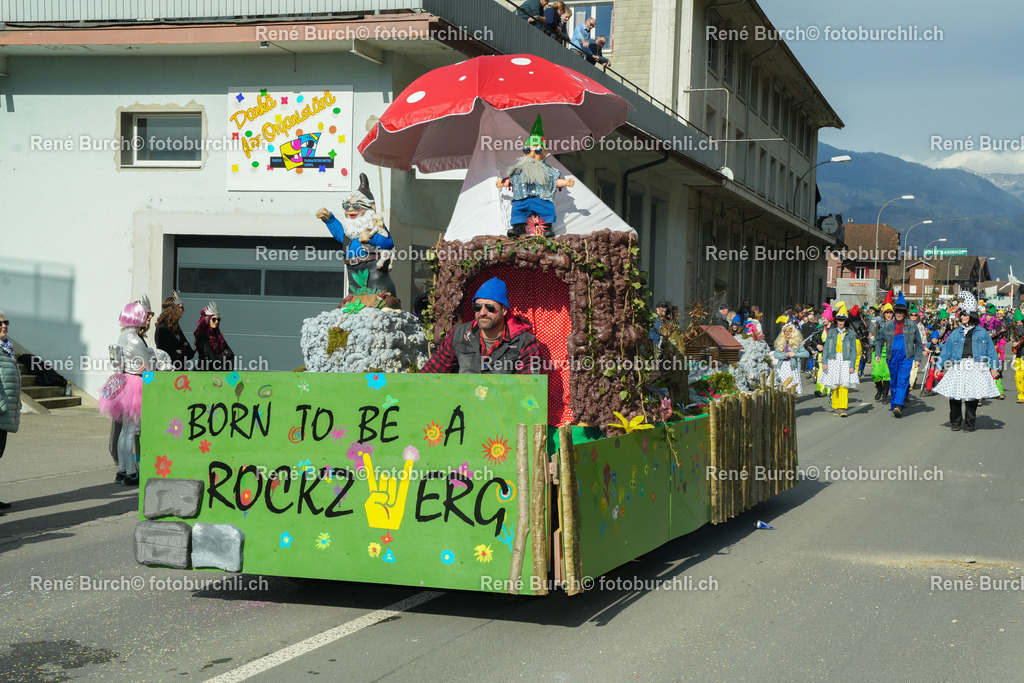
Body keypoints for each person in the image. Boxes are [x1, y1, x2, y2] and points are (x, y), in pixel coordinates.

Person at [421, 277, 542, 374]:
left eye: (490, 307)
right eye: (477, 307)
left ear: (504, 310)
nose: (482, 312)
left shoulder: (525, 343)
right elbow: (430, 373)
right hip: (464, 403)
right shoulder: (458, 335)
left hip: (503, 403)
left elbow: (528, 388)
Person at [97, 302, 151, 485]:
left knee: (125, 430)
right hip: (135, 383)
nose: (146, 318)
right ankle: (131, 472)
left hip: (125, 382)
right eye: (144, 315)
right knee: (132, 430)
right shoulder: (136, 340)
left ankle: (122, 470)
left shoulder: (123, 336)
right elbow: (149, 367)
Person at [496, 116, 575, 238]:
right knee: (517, 210)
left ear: (544, 153)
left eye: (537, 151)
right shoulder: (518, 170)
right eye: (528, 151)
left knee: (547, 209)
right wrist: (502, 184)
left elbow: (554, 181)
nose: (532, 155)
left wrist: (566, 183)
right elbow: (512, 181)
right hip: (522, 199)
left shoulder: (549, 171)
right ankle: (518, 228)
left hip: (541, 199)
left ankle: (548, 227)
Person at [935, 292, 1000, 432]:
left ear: (972, 315)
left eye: (965, 314)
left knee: (972, 398)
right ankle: (956, 421)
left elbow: (991, 351)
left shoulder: (982, 332)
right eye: (961, 315)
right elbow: (946, 350)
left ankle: (970, 423)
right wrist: (939, 366)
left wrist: (994, 367)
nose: (962, 317)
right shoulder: (955, 333)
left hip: (976, 366)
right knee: (955, 396)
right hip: (958, 365)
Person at [875, 293, 923, 418]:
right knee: (894, 382)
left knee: (902, 380)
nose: (899, 314)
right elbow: (880, 340)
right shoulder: (887, 325)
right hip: (891, 357)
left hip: (906, 357)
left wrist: (918, 359)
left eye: (902, 311)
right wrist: (878, 353)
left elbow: (918, 343)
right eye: (897, 311)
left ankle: (898, 405)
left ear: (905, 313)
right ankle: (894, 406)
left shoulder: (912, 325)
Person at [820, 302, 859, 417]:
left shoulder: (850, 334)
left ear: (845, 322)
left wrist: (852, 365)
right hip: (833, 359)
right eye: (839, 320)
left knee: (843, 384)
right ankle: (836, 407)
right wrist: (824, 362)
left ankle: (843, 407)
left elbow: (853, 350)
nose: (840, 323)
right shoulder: (831, 333)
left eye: (842, 321)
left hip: (845, 360)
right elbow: (826, 348)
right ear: (836, 321)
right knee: (835, 383)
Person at [0, 310, 20, 513]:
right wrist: (2, 405)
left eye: (6, 322)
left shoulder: (6, 348)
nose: (4, 326)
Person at [154, 292, 195, 371]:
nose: (184, 310)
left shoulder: (176, 328)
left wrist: (180, 351)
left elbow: (191, 353)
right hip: (170, 373)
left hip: (182, 371)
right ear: (174, 309)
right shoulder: (162, 329)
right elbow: (170, 356)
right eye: (181, 308)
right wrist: (183, 349)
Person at [194, 302, 234, 372]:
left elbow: (231, 354)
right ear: (207, 320)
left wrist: (218, 357)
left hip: (217, 371)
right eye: (214, 319)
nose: (216, 322)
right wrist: (223, 355)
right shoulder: (201, 335)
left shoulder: (218, 335)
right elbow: (212, 358)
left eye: (218, 320)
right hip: (204, 372)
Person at [772, 319, 808, 395]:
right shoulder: (781, 342)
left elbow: (806, 354)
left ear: (793, 332)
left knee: (791, 388)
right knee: (782, 387)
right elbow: (776, 355)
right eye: (785, 331)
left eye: (789, 331)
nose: (787, 333)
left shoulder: (797, 343)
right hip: (782, 367)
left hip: (792, 367)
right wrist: (785, 355)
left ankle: (790, 401)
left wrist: (795, 354)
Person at [871, 303, 894, 402]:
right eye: (886, 313)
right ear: (883, 314)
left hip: (890, 351)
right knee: (876, 373)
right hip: (878, 350)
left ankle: (885, 395)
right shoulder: (878, 324)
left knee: (887, 374)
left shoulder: (895, 325)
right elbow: (874, 336)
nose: (888, 315)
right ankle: (879, 390)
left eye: (890, 313)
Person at [1010, 308, 1024, 403]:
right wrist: (1014, 344)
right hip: (1019, 356)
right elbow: (1013, 343)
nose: (1019, 324)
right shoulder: (1015, 333)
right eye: (1017, 323)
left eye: (1020, 322)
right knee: (1018, 376)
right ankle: (1021, 395)